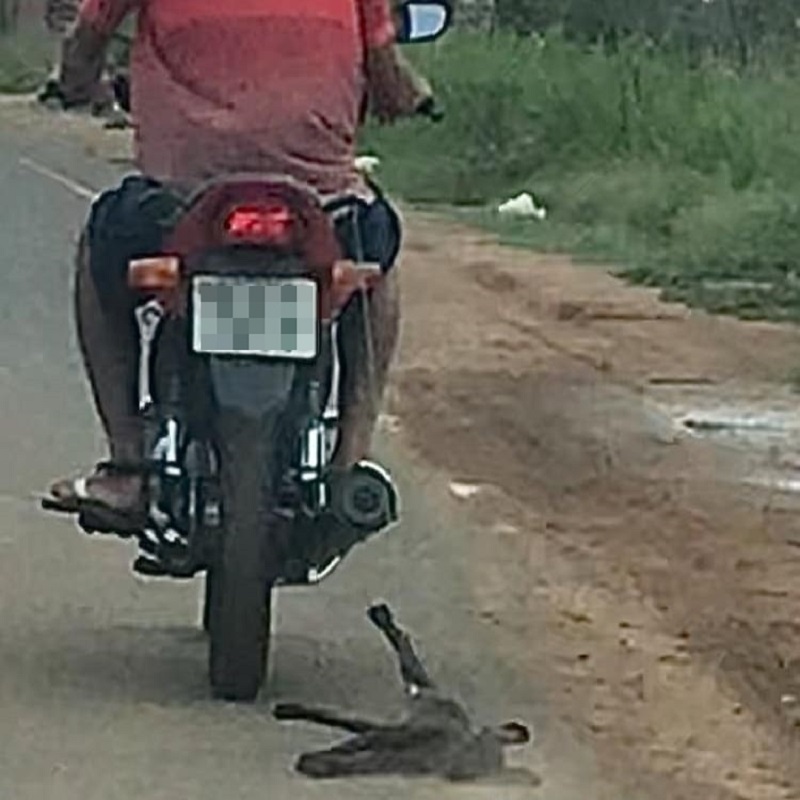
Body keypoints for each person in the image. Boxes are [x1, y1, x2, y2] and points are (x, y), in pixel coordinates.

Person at [46, 0, 434, 517]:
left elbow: (85, 44)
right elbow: (388, 81)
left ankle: (127, 468)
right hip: (321, 206)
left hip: (180, 201)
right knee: (374, 271)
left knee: (101, 254)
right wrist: (411, 96)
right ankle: (349, 463)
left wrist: (76, 83)